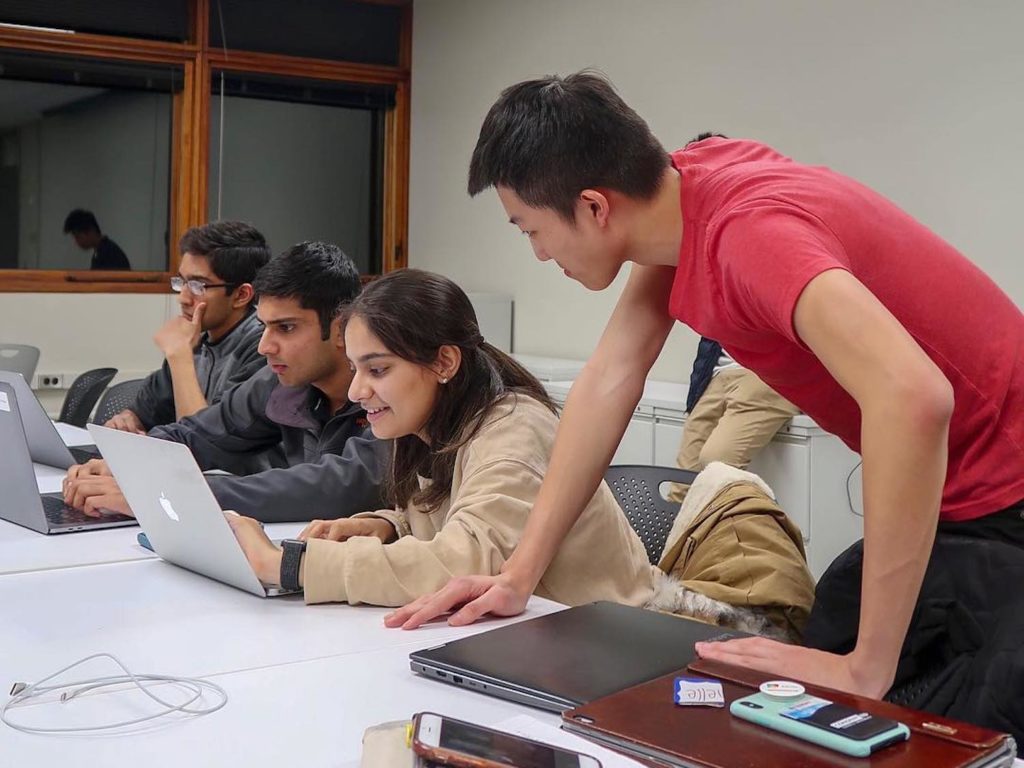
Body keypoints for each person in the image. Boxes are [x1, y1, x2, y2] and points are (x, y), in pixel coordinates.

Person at [385, 71, 1024, 705]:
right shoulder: (680, 199)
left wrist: (867, 669)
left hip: (1005, 496)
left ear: (594, 207)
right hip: (965, 498)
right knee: (836, 636)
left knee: (906, 700)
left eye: (530, 229)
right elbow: (611, 378)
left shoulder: (749, 236)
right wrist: (518, 575)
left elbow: (915, 398)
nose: (539, 254)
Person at [224, 269, 656, 608]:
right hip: (533, 635)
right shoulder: (431, 423)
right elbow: (462, 520)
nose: (357, 391)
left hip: (598, 636)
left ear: (445, 361)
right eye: (355, 369)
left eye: (377, 370)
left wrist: (287, 565)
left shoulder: (513, 428)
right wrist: (388, 526)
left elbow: (465, 560)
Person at [63, 242, 386, 523]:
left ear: (342, 327)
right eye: (264, 327)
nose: (265, 346)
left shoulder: (386, 390)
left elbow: (339, 487)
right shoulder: (281, 384)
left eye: (286, 328)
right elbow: (199, 433)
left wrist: (166, 491)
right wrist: (123, 464)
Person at [105, 221, 270, 433]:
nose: (182, 298)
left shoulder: (265, 349)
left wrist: (180, 357)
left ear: (241, 295)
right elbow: (145, 411)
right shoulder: (197, 339)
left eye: (197, 285)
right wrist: (127, 420)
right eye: (181, 281)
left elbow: (207, 442)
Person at [668, 336, 798, 504]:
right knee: (681, 486)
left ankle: (724, 527)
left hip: (764, 374)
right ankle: (676, 530)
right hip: (716, 371)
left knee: (717, 466)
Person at [62, 209, 131, 270]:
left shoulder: (108, 253)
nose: (76, 242)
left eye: (78, 237)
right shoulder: (102, 251)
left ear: (91, 230)